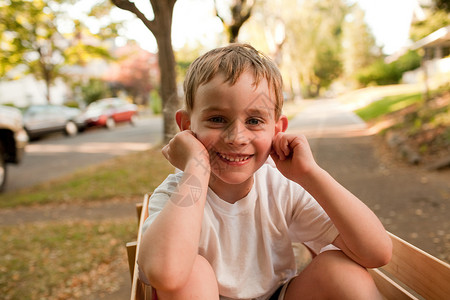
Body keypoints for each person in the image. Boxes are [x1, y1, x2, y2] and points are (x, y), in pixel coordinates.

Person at [137, 43, 392, 300]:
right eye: (217, 119)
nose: (236, 137)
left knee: (341, 270)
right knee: (192, 272)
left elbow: (377, 253)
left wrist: (311, 175)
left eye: (254, 121)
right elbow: (165, 274)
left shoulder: (281, 187)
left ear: (277, 129)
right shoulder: (176, 196)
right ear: (186, 126)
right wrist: (196, 165)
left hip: (279, 295)